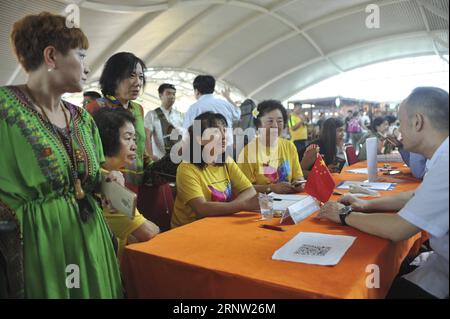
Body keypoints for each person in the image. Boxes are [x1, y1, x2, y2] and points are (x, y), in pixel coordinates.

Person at [0, 12, 122, 298]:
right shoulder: (5, 111)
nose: (87, 68)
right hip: (40, 248)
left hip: (91, 241)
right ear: (51, 56)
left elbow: (82, 177)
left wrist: (107, 178)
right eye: (81, 56)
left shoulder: (82, 119)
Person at [317, 87, 449, 299]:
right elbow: (415, 197)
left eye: (400, 123)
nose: (398, 132)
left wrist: (344, 215)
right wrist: (366, 205)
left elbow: (398, 228)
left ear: (417, 122)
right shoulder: (442, 158)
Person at [92, 107, 160, 259]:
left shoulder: (105, 174)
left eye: (135, 139)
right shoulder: (110, 183)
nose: (134, 146)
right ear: (107, 139)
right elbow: (147, 232)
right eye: (128, 138)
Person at [172, 112, 259, 228]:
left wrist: (236, 205)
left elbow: (249, 190)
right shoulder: (186, 169)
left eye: (224, 130)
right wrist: (242, 205)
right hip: (190, 230)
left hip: (221, 223)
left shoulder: (226, 161)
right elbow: (202, 209)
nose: (224, 136)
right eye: (216, 132)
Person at [85, 52, 148, 194]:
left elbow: (141, 150)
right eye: (131, 75)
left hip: (137, 183)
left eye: (141, 77)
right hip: (110, 184)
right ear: (113, 78)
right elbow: (90, 154)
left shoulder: (138, 109)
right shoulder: (95, 109)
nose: (138, 82)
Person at [238, 100, 305, 194]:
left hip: (289, 201)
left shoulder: (289, 146)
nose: (275, 125)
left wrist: (299, 183)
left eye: (279, 121)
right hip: (261, 204)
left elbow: (298, 176)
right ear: (259, 125)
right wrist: (271, 188)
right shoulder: (248, 152)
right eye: (270, 121)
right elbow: (243, 188)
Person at [182, 75, 241, 148]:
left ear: (196, 91)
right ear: (212, 89)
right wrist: (228, 97)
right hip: (228, 147)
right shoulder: (225, 104)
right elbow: (238, 113)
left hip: (207, 152)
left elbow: (186, 133)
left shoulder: (193, 109)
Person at [144, 83, 183, 161]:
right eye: (168, 93)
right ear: (160, 96)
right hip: (159, 159)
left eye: (174, 94)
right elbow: (147, 137)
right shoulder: (152, 115)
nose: (172, 96)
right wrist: (150, 156)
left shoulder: (180, 116)